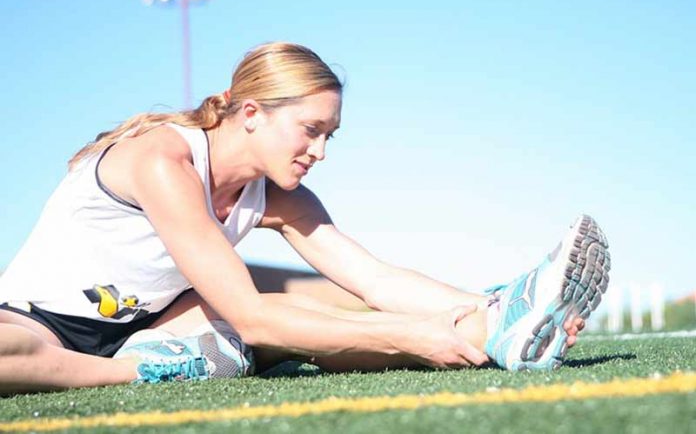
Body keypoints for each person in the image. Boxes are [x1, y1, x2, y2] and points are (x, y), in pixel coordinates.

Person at [0, 42, 609, 394]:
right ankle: (144, 373)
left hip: (160, 319)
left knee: (312, 313)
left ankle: (497, 332)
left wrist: (488, 310)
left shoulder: (282, 196)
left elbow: (374, 280)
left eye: (330, 135)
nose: (320, 151)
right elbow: (251, 314)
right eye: (311, 130)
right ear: (251, 113)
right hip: (39, 324)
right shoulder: (163, 158)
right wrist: (405, 335)